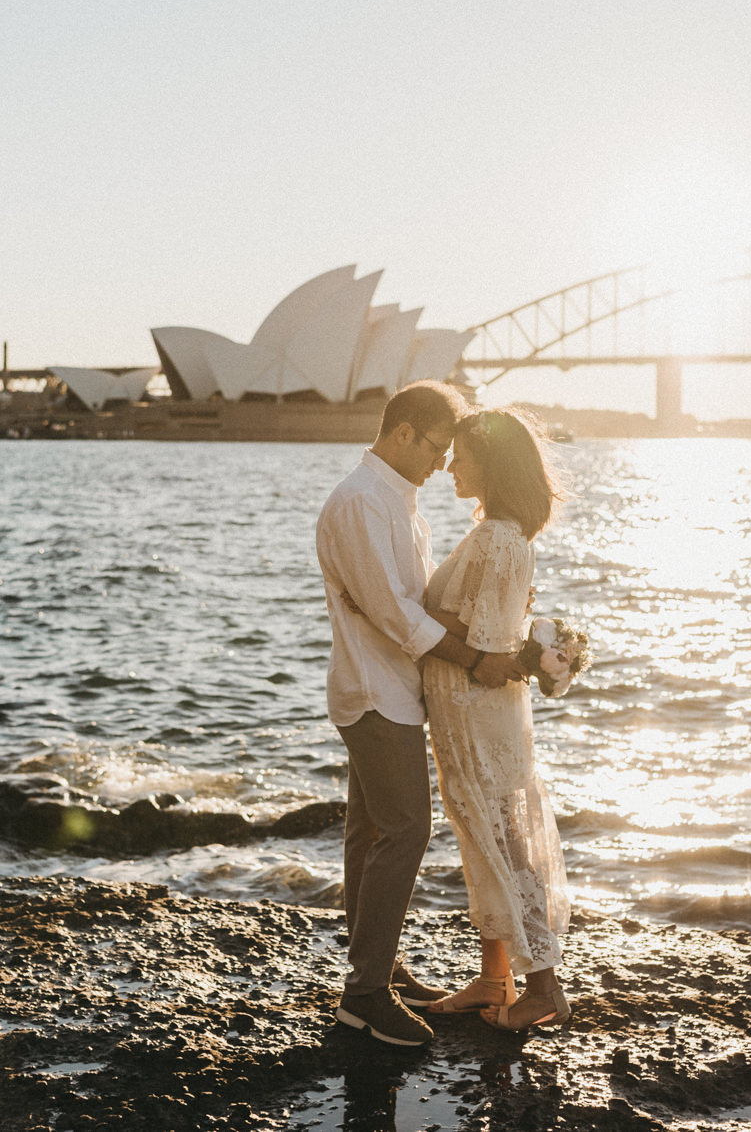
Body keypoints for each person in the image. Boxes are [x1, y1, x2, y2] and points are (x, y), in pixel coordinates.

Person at [314, 381, 523, 1048]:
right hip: (375, 692)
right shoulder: (360, 503)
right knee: (406, 829)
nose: (443, 463)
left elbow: (423, 603)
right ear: (402, 432)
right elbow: (394, 613)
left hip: (395, 689)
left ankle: (377, 967)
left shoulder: (403, 506)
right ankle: (364, 996)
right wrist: (472, 659)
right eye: (437, 448)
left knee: (371, 829)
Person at [416, 407, 573, 1031]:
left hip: (477, 713)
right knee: (487, 837)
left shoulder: (499, 538)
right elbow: (489, 629)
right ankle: (493, 978)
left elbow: (484, 644)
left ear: (494, 463)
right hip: (474, 712)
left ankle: (542, 987)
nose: (452, 465)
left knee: (501, 841)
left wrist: (391, 604)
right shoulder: (501, 534)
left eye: (463, 454)